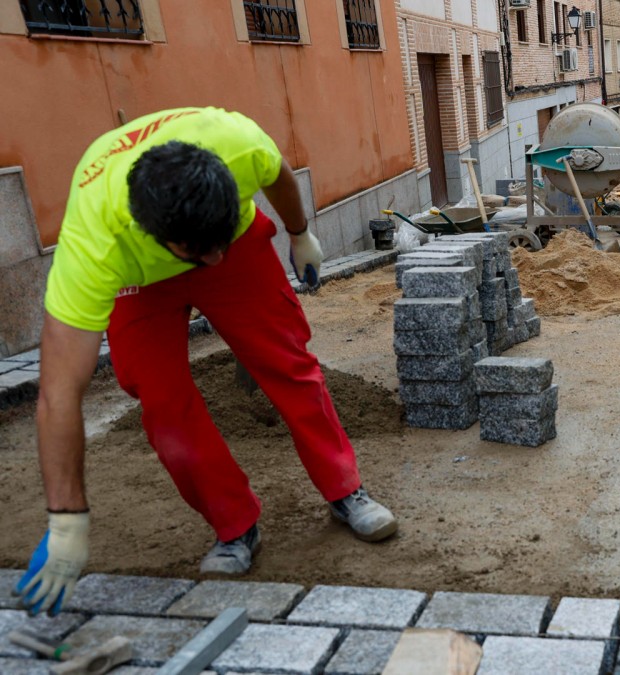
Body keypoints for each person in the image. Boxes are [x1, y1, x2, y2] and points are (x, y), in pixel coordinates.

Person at [14, 107, 399, 616]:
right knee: (161, 400)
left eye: (217, 245)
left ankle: (346, 489)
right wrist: (66, 519)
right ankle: (235, 526)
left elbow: (278, 172)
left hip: (240, 240)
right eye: (201, 252)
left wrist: (299, 232)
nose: (212, 260)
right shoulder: (93, 243)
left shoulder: (235, 141)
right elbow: (58, 393)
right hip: (142, 281)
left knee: (288, 362)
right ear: (151, 232)